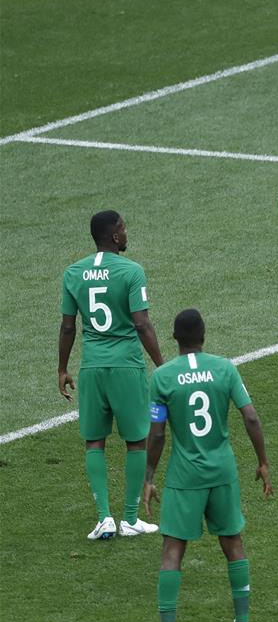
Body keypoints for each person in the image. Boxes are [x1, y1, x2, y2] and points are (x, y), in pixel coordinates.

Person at [139, 309, 272, 622]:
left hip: (185, 477)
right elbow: (251, 417)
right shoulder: (225, 369)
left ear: (175, 338)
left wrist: (149, 478)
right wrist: (262, 462)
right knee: (233, 544)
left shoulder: (162, 377)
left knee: (172, 550)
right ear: (204, 335)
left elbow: (157, 434)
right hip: (222, 472)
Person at [58, 210, 164, 541]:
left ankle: (104, 518)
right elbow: (141, 324)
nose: (127, 232)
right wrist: (162, 364)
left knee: (94, 441)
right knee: (136, 441)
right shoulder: (132, 271)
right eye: (124, 228)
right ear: (115, 236)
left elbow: (67, 326)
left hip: (92, 368)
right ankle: (130, 518)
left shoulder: (73, 273)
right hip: (127, 366)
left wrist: (62, 368)